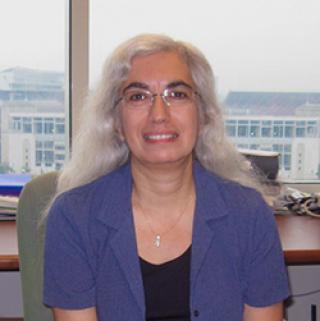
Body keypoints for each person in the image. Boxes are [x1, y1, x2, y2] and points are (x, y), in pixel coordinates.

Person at [43, 34, 290, 321]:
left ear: (203, 115)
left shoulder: (249, 214)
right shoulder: (75, 217)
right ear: (117, 123)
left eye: (177, 94)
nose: (159, 114)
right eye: (138, 96)